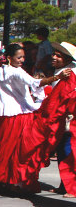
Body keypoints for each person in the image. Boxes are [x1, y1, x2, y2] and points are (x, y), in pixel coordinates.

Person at [0, 44, 68, 195]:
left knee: (2, 150)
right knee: (17, 151)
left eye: (23, 57)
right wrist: (57, 77)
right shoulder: (17, 72)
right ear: (10, 58)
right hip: (19, 115)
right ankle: (13, 182)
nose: (22, 60)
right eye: (19, 57)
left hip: (2, 116)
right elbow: (35, 83)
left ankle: (2, 181)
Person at [39, 42, 76, 198]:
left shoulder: (72, 72)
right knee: (61, 150)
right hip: (59, 119)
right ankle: (64, 184)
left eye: (58, 56)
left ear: (67, 59)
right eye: (54, 54)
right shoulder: (60, 71)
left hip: (68, 119)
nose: (53, 57)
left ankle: (71, 187)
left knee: (69, 151)